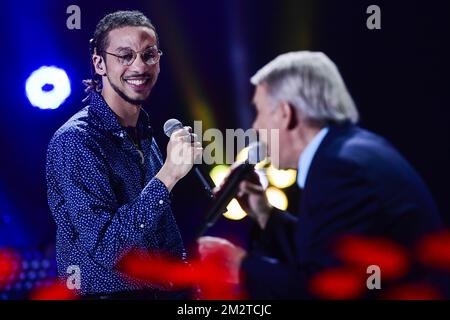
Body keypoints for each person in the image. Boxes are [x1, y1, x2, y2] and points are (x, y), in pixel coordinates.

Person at [198, 51, 443, 299]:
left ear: (285, 113)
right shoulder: (350, 151)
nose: (255, 127)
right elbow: (329, 255)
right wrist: (264, 213)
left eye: (259, 112)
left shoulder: (340, 168)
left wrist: (241, 267)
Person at [46, 10, 202, 298]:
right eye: (125, 56)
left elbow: (160, 233)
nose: (139, 66)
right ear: (99, 63)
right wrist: (167, 176)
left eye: (149, 54)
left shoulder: (145, 133)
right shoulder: (76, 141)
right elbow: (107, 247)